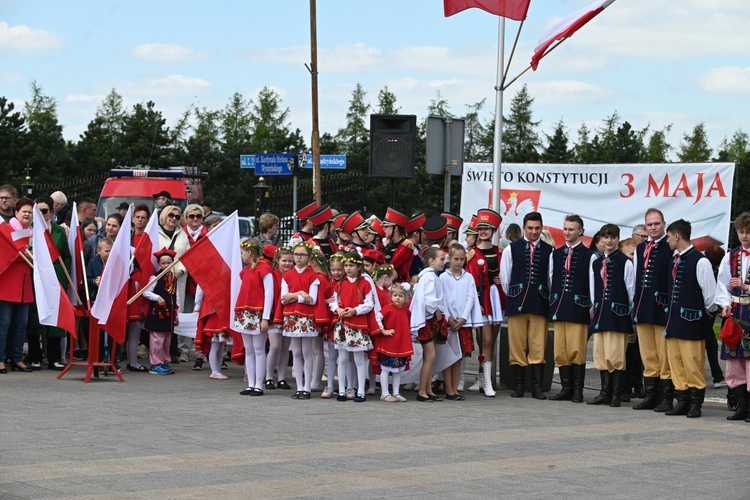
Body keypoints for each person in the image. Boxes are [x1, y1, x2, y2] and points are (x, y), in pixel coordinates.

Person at [663, 219, 716, 418]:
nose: (667, 241)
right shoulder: (673, 259)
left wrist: (707, 310)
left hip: (692, 320)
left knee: (693, 362)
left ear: (677, 236)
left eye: (668, 237)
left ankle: (695, 403)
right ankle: (682, 400)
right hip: (674, 320)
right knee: (676, 362)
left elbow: (709, 294)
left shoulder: (700, 260)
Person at [500, 211, 554, 399]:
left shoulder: (549, 251)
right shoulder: (511, 249)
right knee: (517, 344)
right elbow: (505, 277)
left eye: (537, 228)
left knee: (538, 345)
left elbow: (550, 278)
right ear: (524, 228)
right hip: (517, 301)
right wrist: (514, 294)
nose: (533, 231)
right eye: (530, 228)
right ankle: (519, 385)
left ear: (541, 228)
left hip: (539, 302)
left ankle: (537, 386)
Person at [548, 215, 595, 403]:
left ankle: (578, 390)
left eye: (572, 229)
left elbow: (592, 282)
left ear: (580, 231)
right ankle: (566, 388)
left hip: (578, 306)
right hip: (560, 305)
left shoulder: (588, 255)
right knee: (560, 350)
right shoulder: (556, 254)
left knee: (576, 349)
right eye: (565, 229)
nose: (567, 232)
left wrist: (592, 305)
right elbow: (552, 279)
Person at [631, 208, 674, 412]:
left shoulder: (670, 246)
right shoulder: (641, 248)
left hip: (662, 307)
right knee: (647, 353)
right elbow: (637, 277)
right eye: (650, 224)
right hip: (643, 305)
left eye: (657, 223)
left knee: (664, 354)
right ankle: (651, 394)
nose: (653, 227)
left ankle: (666, 396)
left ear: (664, 224)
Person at [588, 224, 634, 408]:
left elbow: (631, 289)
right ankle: (604, 392)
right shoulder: (597, 262)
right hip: (601, 312)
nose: (608, 241)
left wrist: (628, 310)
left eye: (612, 237)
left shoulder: (625, 262)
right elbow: (594, 286)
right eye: (605, 237)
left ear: (617, 239)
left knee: (615, 355)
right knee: (601, 354)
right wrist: (594, 306)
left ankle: (616, 393)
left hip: (618, 313)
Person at [330, 250, 379, 402]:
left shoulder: (364, 283)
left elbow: (369, 303)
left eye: (351, 265)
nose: (348, 268)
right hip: (343, 324)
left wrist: (355, 310)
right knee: (342, 358)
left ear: (359, 267)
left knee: (359, 359)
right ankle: (342, 390)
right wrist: (337, 309)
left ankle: (361, 391)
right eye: (346, 265)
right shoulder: (341, 283)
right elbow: (333, 300)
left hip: (357, 325)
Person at [275, 241, 322, 400]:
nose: (298, 257)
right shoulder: (287, 276)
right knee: (296, 352)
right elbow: (283, 299)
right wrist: (300, 293)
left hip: (306, 318)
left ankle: (307, 388)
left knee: (307, 352)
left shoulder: (313, 276)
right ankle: (299, 387)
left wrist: (294, 296)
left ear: (308, 257)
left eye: (302, 255)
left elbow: (313, 299)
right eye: (296, 254)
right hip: (292, 317)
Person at [714, 213, 750, 421]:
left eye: (747, 232)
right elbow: (723, 283)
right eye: (741, 232)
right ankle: (741, 406)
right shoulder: (731, 255)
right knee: (734, 358)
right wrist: (725, 304)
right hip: (736, 312)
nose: (744, 236)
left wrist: (746, 286)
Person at [466, 208, 504, 397]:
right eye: (480, 228)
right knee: (485, 340)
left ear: (494, 231)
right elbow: (471, 281)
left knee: (491, 341)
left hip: (496, 298)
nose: (483, 232)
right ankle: (487, 382)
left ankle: (482, 378)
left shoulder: (501, 252)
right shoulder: (472, 254)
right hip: (482, 299)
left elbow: (506, 274)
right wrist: (477, 302)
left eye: (487, 229)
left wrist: (501, 280)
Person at [32, 196, 73, 371]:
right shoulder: (30, 231)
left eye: (45, 211)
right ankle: (35, 356)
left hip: (55, 278)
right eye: (38, 211)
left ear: (51, 212)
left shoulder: (58, 231)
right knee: (35, 317)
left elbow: (66, 257)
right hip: (37, 278)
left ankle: (54, 358)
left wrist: (62, 278)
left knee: (55, 318)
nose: (42, 214)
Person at [439, 243, 481, 400]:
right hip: (448, 323)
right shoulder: (443, 277)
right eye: (456, 258)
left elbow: (471, 298)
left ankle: (455, 388)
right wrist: (449, 318)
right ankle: (448, 388)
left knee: (458, 357)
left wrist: (463, 318)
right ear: (449, 258)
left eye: (462, 259)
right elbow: (442, 299)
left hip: (463, 322)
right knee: (448, 356)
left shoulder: (468, 277)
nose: (459, 262)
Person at [410, 246, 448, 402]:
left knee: (430, 356)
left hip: (430, 319)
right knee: (430, 356)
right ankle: (422, 391)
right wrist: (437, 308)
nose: (444, 262)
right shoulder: (430, 277)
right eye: (441, 259)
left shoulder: (431, 276)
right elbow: (428, 297)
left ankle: (427, 389)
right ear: (431, 261)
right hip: (427, 320)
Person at [0, 197, 34, 373]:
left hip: (24, 283)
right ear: (16, 213)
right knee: (4, 323)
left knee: (22, 323)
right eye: (24, 211)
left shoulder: (33, 233)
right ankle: (0, 359)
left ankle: (17, 358)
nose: (27, 214)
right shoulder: (7, 231)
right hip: (7, 283)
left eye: (30, 212)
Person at [157, 205, 189, 363]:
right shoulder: (155, 232)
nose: (174, 218)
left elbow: (188, 256)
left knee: (175, 310)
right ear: (164, 215)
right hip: (159, 277)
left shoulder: (183, 234)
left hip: (177, 278)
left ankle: (172, 349)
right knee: (159, 309)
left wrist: (180, 271)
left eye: (177, 216)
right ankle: (156, 349)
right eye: (171, 215)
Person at [143, 248, 180, 375]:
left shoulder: (172, 278)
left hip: (169, 315)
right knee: (157, 340)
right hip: (157, 314)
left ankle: (165, 361)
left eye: (168, 262)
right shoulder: (155, 277)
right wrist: (157, 297)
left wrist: (176, 314)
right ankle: (155, 364)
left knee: (166, 340)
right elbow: (145, 292)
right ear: (159, 264)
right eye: (163, 263)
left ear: (173, 263)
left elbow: (177, 296)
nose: (166, 265)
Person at [376, 283, 414, 402]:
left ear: (406, 298)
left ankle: (396, 392)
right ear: (391, 296)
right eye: (395, 295)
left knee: (397, 370)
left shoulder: (406, 311)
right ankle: (385, 393)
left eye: (401, 296)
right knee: (386, 369)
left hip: (400, 345)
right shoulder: (388, 309)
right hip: (390, 344)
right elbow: (377, 317)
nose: (397, 298)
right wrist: (383, 330)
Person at [125, 205, 151, 372]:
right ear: (133, 219)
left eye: (143, 217)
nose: (140, 220)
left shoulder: (149, 238)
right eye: (138, 217)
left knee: (136, 326)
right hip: (128, 283)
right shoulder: (127, 237)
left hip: (142, 283)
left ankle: (133, 361)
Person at [264, 247, 293, 390]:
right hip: (275, 313)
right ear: (277, 261)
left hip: (289, 314)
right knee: (275, 346)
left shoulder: (293, 275)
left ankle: (281, 378)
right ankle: (269, 377)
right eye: (284, 261)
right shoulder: (272, 275)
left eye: (290, 261)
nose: (287, 264)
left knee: (285, 348)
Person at [321, 252, 345, 399]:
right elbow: (321, 304)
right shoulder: (329, 286)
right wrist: (325, 302)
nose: (336, 273)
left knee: (345, 358)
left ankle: (348, 386)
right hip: (332, 325)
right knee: (332, 357)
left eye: (339, 269)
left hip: (346, 325)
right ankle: (329, 385)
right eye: (333, 269)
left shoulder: (349, 285)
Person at [703, 244, 726, 388]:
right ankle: (717, 376)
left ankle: (717, 375)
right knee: (709, 342)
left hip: (705, 310)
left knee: (709, 342)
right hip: (708, 311)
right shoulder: (717, 272)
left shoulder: (706, 268)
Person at [382, 207, 416, 283]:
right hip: (389, 281)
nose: (383, 229)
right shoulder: (390, 243)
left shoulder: (406, 245)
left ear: (395, 228)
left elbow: (392, 264)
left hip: (400, 284)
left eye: (386, 226)